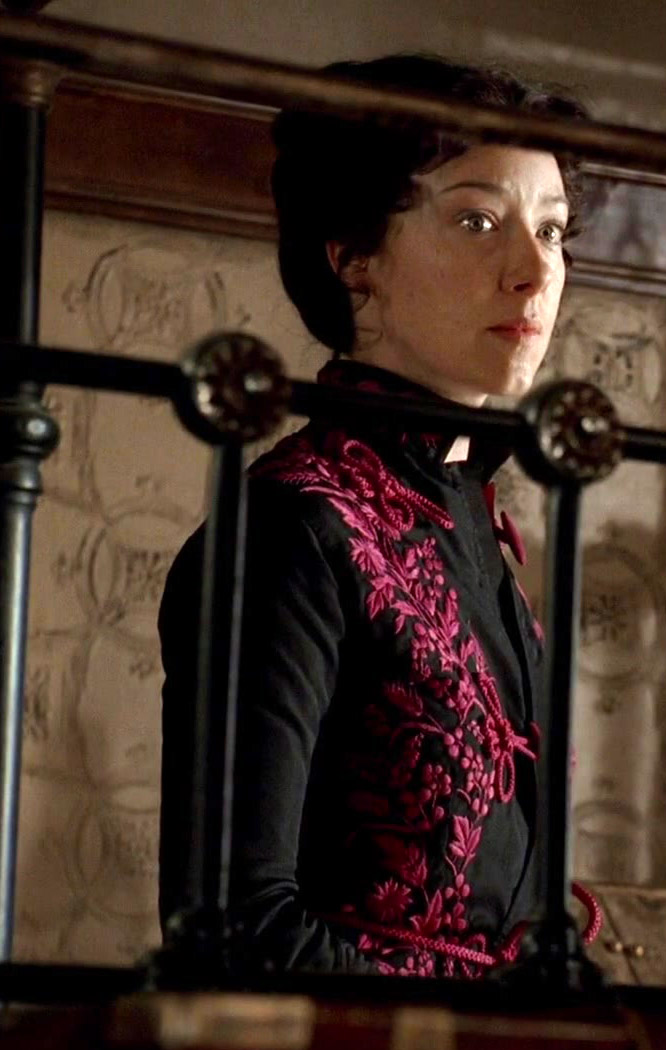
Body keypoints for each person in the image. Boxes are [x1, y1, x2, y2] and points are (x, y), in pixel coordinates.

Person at [159, 54, 595, 979]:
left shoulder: (477, 525)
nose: (534, 272)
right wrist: (474, 1038)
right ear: (354, 256)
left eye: (552, 231)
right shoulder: (294, 530)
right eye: (478, 221)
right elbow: (239, 930)